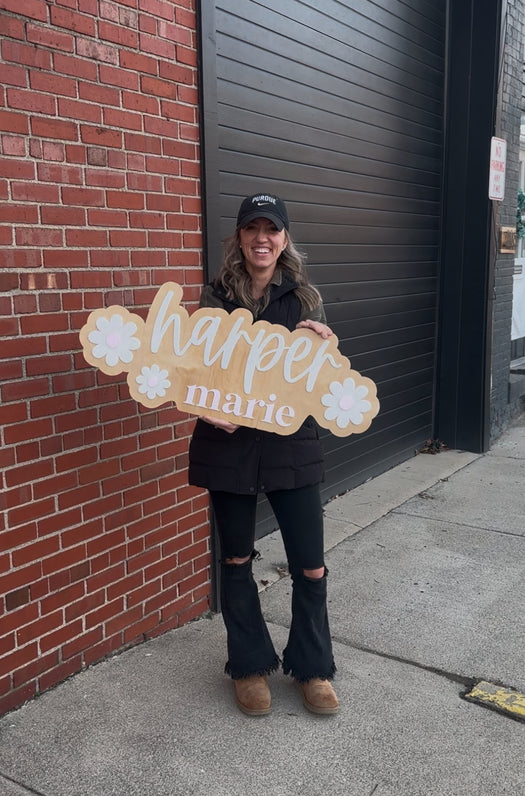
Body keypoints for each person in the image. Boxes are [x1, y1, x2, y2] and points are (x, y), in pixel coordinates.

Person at [188, 192, 339, 716]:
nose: (261, 238)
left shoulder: (304, 298)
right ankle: (249, 665)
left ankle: (313, 667)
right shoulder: (214, 298)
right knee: (234, 557)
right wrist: (200, 404)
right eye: (252, 228)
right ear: (239, 237)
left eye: (271, 229)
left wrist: (330, 349)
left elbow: (321, 378)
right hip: (227, 445)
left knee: (311, 564)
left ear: (284, 239)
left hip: (289, 444)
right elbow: (196, 370)